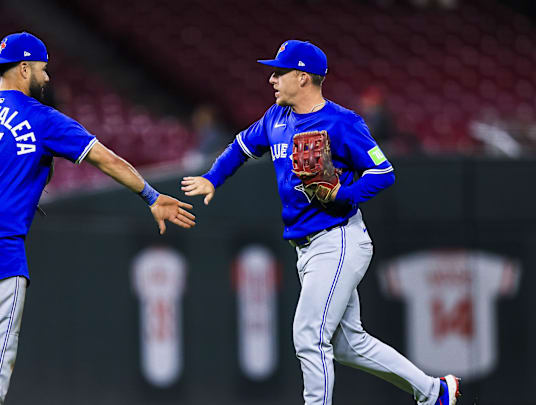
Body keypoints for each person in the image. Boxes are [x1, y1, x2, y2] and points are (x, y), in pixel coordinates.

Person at [0, 32, 196, 405]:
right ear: (24, 68)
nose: (47, 78)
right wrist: (150, 195)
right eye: (43, 69)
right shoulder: (42, 118)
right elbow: (105, 159)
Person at [181, 40, 460, 405]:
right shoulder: (276, 118)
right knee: (348, 343)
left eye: (280, 72)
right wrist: (213, 178)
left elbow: (383, 171)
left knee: (309, 337)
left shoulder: (342, 123)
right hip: (307, 246)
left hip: (338, 239)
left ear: (302, 77)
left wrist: (344, 195)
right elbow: (240, 146)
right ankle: (435, 391)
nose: (271, 79)